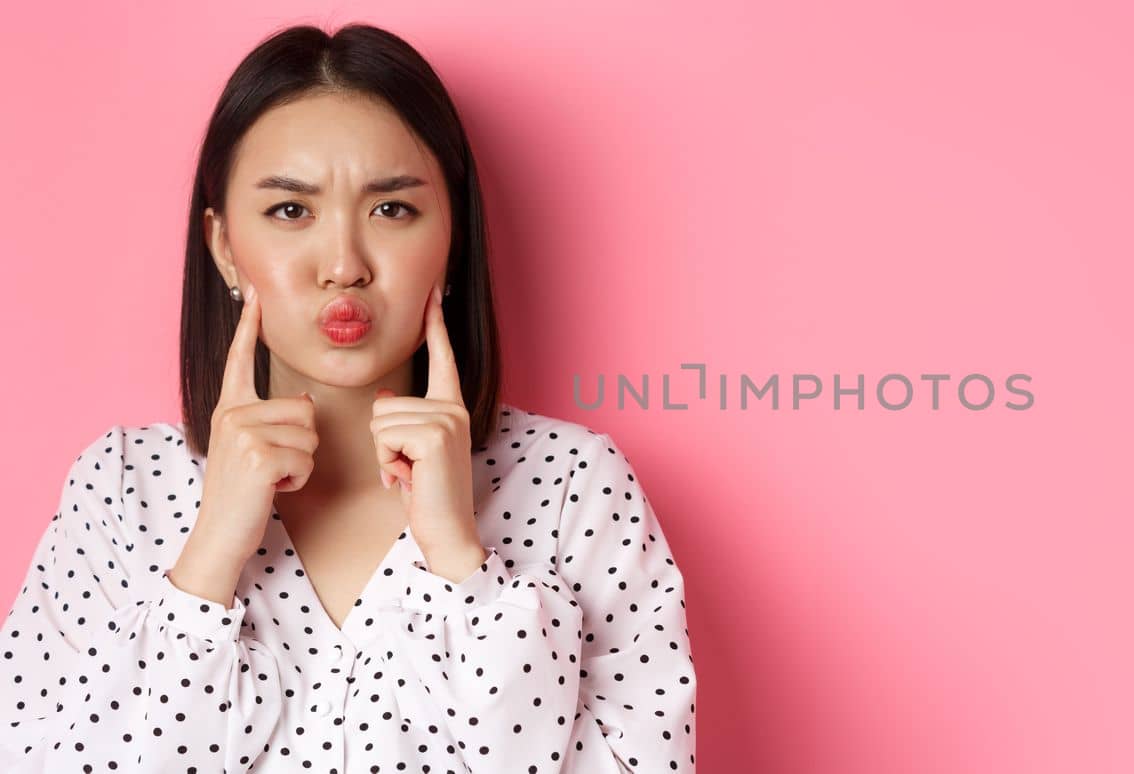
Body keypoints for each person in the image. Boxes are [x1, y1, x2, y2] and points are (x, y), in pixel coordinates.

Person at [0, 22, 696, 773]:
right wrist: (207, 560)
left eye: (392, 209)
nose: (343, 264)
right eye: (290, 211)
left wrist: (463, 564)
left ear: (453, 239)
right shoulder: (122, 487)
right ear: (224, 246)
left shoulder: (571, 484)